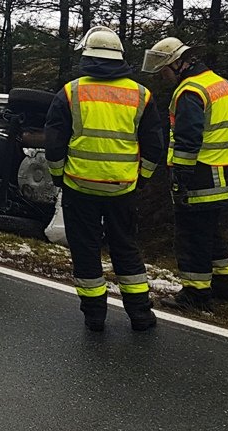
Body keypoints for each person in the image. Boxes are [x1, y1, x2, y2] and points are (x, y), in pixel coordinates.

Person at [44, 27, 164, 332]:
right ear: (120, 57)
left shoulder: (71, 92)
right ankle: (141, 315)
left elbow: (55, 143)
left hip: (79, 186)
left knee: (85, 250)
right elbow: (153, 146)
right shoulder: (141, 94)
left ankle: (94, 316)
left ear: (87, 56)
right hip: (122, 187)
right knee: (125, 247)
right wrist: (142, 179)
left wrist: (59, 177)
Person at [142, 36, 228, 311]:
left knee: (192, 237)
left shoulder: (190, 91)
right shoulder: (219, 83)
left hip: (198, 175)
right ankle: (225, 288)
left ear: (177, 64)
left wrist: (180, 178)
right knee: (211, 234)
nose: (162, 76)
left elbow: (187, 140)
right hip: (222, 173)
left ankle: (196, 294)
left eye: (163, 70)